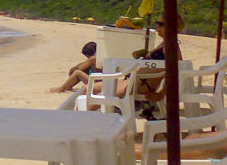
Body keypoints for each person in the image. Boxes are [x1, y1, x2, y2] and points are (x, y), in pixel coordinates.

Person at [51, 14, 185, 104]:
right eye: (157, 23)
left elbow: (175, 72)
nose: (157, 27)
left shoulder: (171, 47)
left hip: (138, 85)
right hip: (133, 81)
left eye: (161, 24)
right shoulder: (166, 44)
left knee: (92, 92)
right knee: (86, 88)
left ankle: (82, 122)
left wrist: (161, 94)